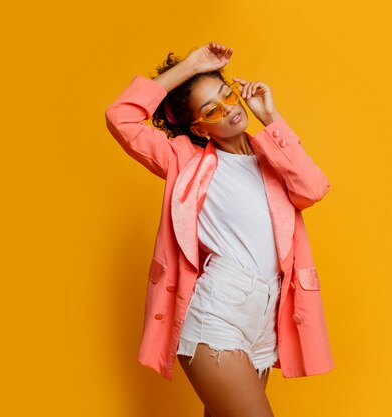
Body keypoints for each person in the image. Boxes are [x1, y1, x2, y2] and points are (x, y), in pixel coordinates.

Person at [105, 41, 334, 417]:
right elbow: (121, 117)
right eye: (213, 108)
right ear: (198, 126)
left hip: (265, 320)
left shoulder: (273, 160)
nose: (229, 109)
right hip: (218, 312)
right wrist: (193, 64)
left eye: (227, 95)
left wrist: (272, 118)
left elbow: (313, 189)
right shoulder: (186, 161)